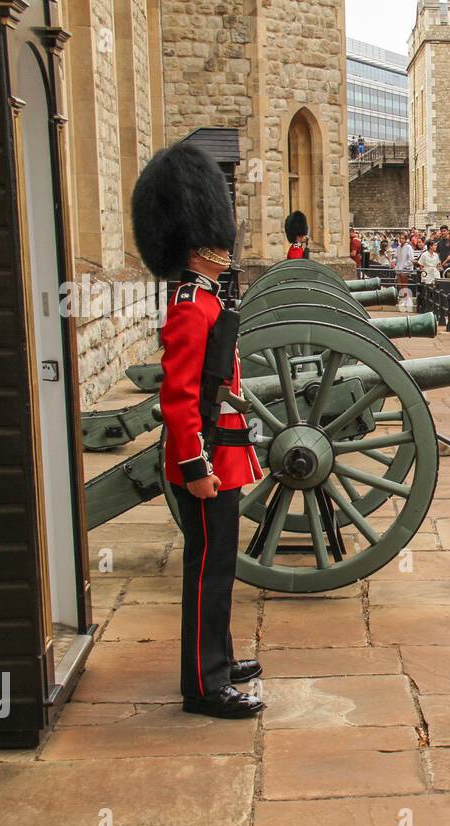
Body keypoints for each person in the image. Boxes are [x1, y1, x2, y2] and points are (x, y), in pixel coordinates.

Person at [131, 143, 266, 719]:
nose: (223, 248)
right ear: (197, 241)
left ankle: (219, 658)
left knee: (219, 568)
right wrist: (196, 469)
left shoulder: (207, 300)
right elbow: (181, 398)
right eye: (215, 240)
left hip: (220, 454)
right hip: (206, 460)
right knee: (207, 570)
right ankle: (204, 686)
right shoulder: (191, 306)